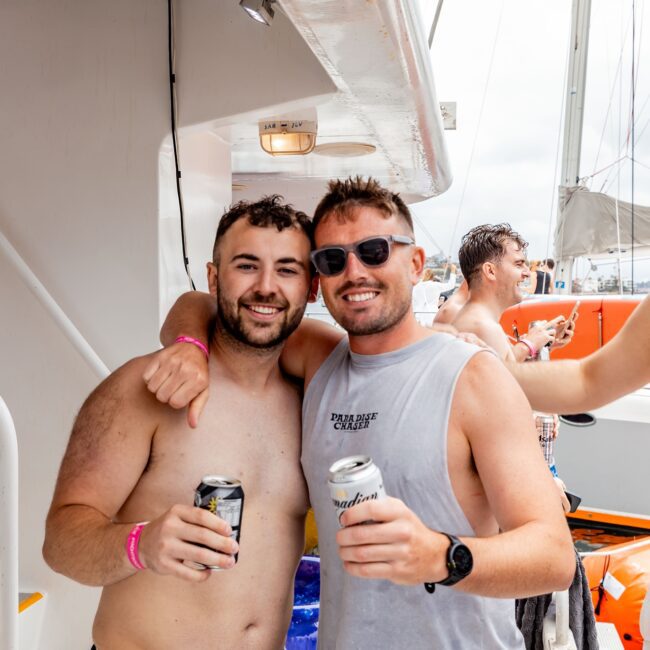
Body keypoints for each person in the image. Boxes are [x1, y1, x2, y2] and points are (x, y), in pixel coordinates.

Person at [150, 177, 574, 649]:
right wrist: (189, 346)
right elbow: (203, 304)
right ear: (318, 281)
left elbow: (555, 557)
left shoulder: (474, 379)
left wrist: (441, 556)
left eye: (374, 251)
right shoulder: (318, 358)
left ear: (415, 264)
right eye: (332, 260)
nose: (354, 272)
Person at [42, 196, 316, 650]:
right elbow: (60, 544)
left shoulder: (310, 402)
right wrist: (141, 544)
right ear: (213, 278)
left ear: (311, 287)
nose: (266, 287)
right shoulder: (145, 388)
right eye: (246, 266)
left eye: (287, 269)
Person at [452, 225, 570, 363]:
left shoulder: (481, 321)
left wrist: (542, 343)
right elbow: (506, 377)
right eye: (518, 264)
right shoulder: (482, 326)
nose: (527, 273)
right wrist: (529, 344)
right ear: (490, 271)